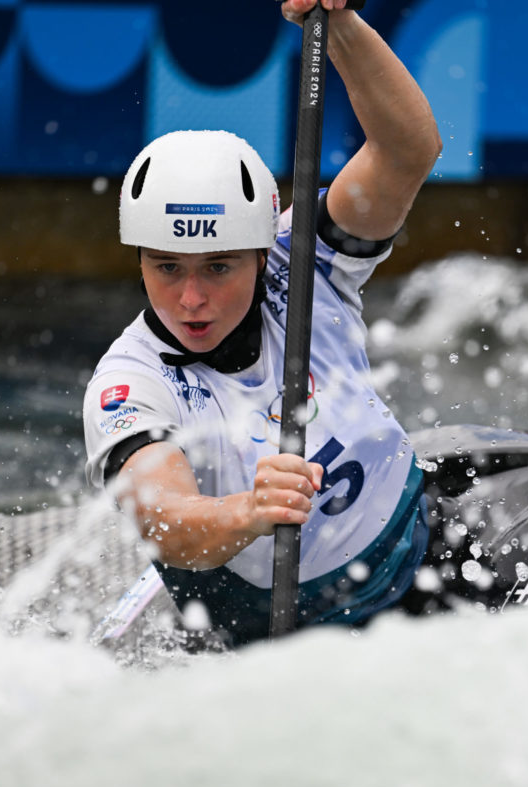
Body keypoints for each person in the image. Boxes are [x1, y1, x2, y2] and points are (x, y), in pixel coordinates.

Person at [83, 0, 442, 646]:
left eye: (219, 268)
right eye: (167, 268)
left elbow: (408, 150)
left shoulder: (300, 260)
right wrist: (248, 511)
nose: (192, 299)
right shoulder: (129, 384)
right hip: (298, 635)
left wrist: (341, 27)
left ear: (259, 250)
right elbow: (162, 518)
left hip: (424, 548)